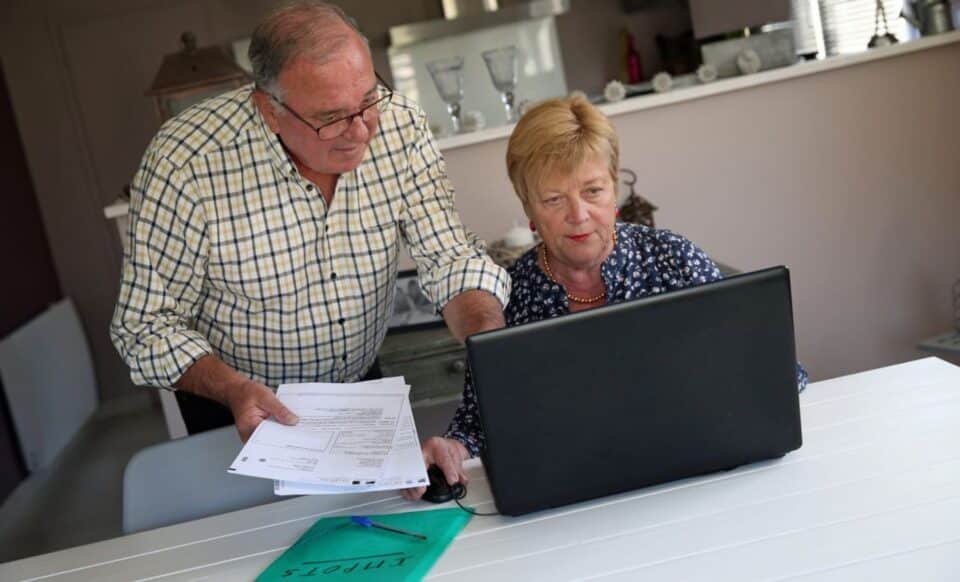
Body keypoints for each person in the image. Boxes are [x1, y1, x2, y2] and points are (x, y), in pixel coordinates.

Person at [110, 1, 509, 441]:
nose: (361, 131)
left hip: (360, 387)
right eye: (331, 117)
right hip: (236, 404)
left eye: (368, 100)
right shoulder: (185, 161)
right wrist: (233, 389)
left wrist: (487, 344)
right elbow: (146, 326)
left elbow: (449, 257)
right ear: (269, 110)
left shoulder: (400, 128)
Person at [404, 95, 808, 500]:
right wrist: (451, 448)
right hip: (575, 497)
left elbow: (773, 373)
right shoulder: (507, 296)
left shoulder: (673, 258)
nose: (578, 215)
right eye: (554, 199)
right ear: (529, 209)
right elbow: (480, 419)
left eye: (593, 191)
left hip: (696, 481)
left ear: (613, 191)